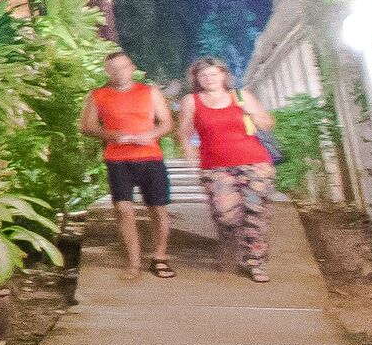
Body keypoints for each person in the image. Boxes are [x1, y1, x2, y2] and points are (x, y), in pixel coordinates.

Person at [179, 55, 281, 284]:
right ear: (197, 79)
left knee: (256, 213)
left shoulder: (241, 96)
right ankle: (231, 242)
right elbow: (185, 133)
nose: (209, 78)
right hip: (216, 167)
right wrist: (191, 157)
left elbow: (267, 123)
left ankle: (255, 262)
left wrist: (253, 114)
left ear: (223, 75)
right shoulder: (191, 101)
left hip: (255, 163)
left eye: (213, 74)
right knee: (225, 214)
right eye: (203, 75)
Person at [81, 50, 176, 277]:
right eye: (113, 69)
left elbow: (167, 123)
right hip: (118, 159)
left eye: (123, 67)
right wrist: (111, 135)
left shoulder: (150, 92)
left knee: (158, 209)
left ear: (132, 68)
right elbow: (86, 126)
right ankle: (133, 262)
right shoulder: (98, 95)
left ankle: (160, 257)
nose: (119, 72)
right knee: (123, 210)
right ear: (107, 71)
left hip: (150, 157)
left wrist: (150, 135)